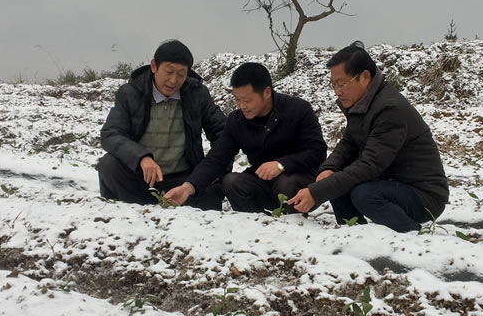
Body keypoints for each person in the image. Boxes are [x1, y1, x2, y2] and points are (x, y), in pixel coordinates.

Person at [288, 41, 449, 232]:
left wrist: (317, 192)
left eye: (342, 84)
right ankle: (355, 234)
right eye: (333, 85)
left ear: (365, 77)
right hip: (391, 182)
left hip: (424, 195)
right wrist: (328, 169)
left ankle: (412, 236)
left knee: (363, 194)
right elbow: (348, 144)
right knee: (334, 184)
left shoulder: (390, 109)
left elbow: (370, 165)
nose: (337, 91)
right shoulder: (362, 104)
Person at [164, 62, 327, 213]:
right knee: (231, 182)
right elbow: (217, 158)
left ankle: (293, 223)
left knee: (286, 183)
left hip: (299, 180)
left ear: (266, 92)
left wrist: (281, 165)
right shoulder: (237, 120)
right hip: (262, 181)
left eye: (247, 100)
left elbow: (317, 151)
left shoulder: (298, 110)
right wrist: (188, 187)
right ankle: (256, 224)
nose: (242, 106)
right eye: (237, 100)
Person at [97, 39, 227, 209]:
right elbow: (111, 133)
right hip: (141, 176)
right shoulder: (130, 93)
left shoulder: (197, 94)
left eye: (181, 74)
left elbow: (223, 134)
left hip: (183, 179)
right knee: (109, 165)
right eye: (168, 71)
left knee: (213, 188)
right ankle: (135, 209)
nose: (173, 80)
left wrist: (215, 172)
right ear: (154, 66)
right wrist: (141, 157)